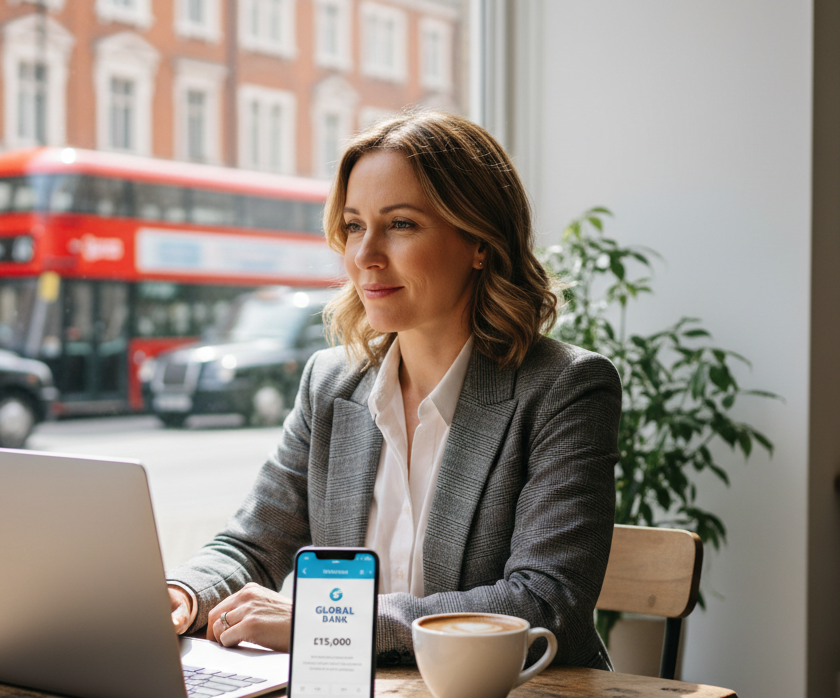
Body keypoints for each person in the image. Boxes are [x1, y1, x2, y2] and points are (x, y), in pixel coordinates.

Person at [165, 110, 621, 669]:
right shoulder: (331, 383)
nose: (364, 255)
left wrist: (330, 619)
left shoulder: (564, 389)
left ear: (479, 240)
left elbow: (543, 602)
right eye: (354, 225)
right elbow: (253, 544)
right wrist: (182, 594)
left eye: (400, 224)